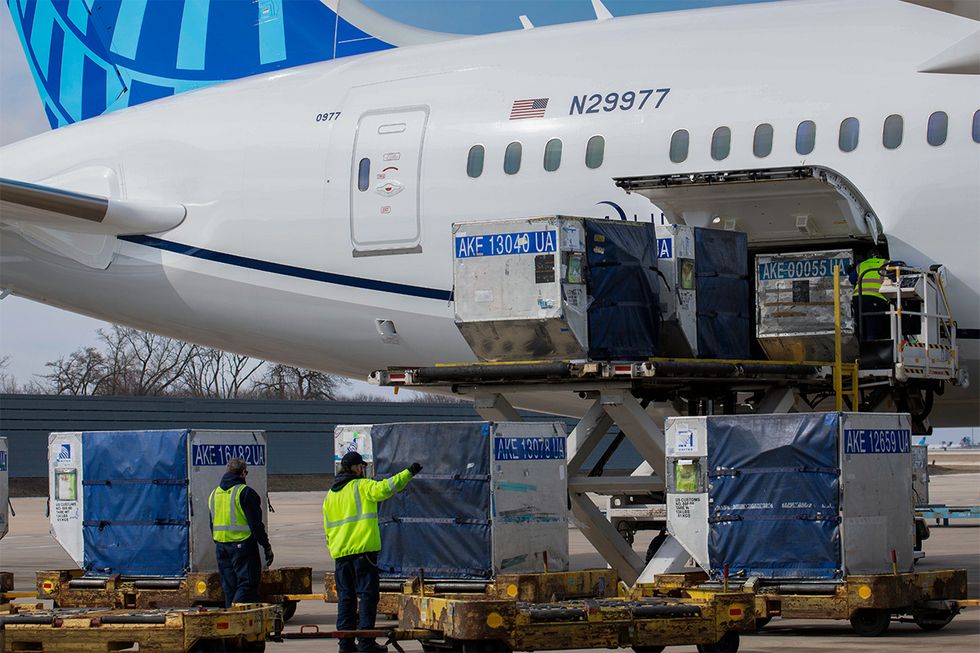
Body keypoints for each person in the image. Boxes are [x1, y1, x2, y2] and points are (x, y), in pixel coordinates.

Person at [324, 452, 421, 653]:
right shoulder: (362, 486)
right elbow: (386, 488)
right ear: (355, 468)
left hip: (341, 555)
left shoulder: (330, 496)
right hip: (363, 552)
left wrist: (336, 549)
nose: (362, 470)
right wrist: (408, 473)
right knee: (368, 597)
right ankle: (366, 642)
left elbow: (327, 529)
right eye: (361, 466)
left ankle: (346, 644)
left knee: (346, 599)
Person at [208, 457, 273, 607]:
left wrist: (219, 542)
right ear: (243, 473)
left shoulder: (214, 494)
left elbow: (212, 523)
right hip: (242, 545)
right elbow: (256, 525)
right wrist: (266, 546)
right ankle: (237, 616)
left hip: (221, 546)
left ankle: (231, 618)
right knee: (248, 583)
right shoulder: (245, 493)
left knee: (229, 586)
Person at [851, 251, 890, 341]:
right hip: (875, 297)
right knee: (873, 327)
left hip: (858, 298)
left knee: (860, 326)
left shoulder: (861, 265)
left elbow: (851, 278)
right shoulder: (886, 262)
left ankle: (861, 350)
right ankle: (872, 352)